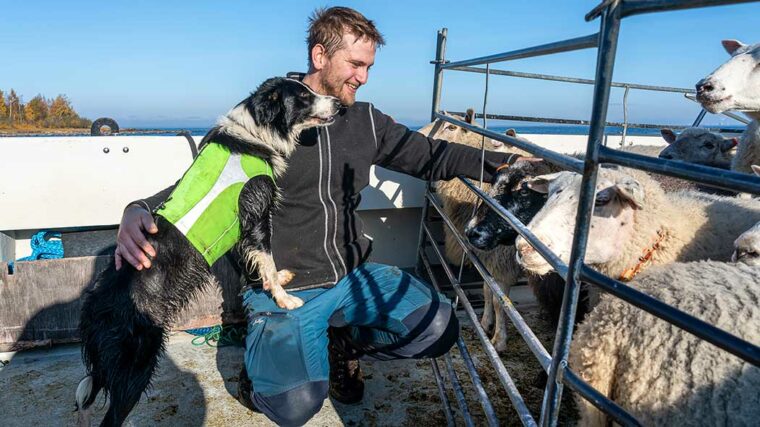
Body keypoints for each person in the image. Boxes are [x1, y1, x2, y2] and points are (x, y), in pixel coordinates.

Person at [116, 7, 527, 426]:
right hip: (284, 290)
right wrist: (138, 209)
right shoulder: (265, 116)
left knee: (439, 327)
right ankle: (263, 372)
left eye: (368, 66)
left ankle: (342, 343)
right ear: (319, 56)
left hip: (353, 275)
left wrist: (510, 162)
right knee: (292, 407)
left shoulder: (366, 120)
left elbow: (433, 155)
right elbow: (199, 184)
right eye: (355, 64)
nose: (363, 77)